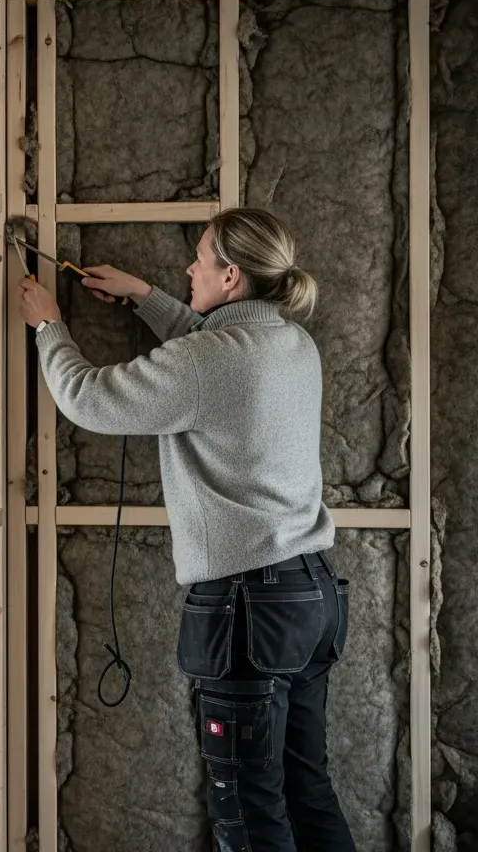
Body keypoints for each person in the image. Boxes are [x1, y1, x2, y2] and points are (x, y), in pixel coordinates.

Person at [18, 207, 356, 852]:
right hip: (312, 600)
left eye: (199, 258)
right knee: (304, 789)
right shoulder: (289, 343)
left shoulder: (213, 359)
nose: (188, 267)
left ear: (230, 276)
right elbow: (210, 356)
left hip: (248, 608)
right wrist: (146, 298)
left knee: (248, 811)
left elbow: (90, 399)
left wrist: (48, 327)